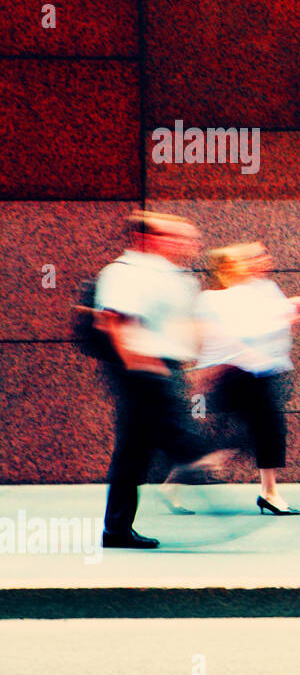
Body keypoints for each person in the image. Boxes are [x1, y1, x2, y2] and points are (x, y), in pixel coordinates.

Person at [93, 211, 230, 548]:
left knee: (133, 450)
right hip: (140, 365)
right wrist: (140, 366)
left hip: (165, 364)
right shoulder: (124, 273)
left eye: (189, 237)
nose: (188, 243)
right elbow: (114, 321)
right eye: (176, 236)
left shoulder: (178, 277)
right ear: (148, 239)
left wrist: (196, 360)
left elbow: (185, 322)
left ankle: (117, 529)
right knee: (155, 434)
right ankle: (193, 452)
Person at [193, 242, 300, 516]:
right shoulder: (221, 297)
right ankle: (268, 492)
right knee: (255, 432)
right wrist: (283, 315)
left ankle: (266, 491)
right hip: (236, 372)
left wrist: (289, 313)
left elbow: (274, 325)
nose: (263, 261)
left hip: (266, 371)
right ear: (235, 265)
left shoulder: (266, 289)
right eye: (255, 257)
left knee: (257, 432)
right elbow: (245, 331)